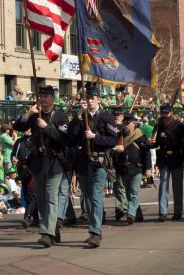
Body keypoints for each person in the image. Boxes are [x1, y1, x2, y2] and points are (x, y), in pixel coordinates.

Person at [14, 85, 69, 248]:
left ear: (53, 98)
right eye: (41, 96)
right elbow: (18, 127)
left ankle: (46, 233)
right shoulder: (35, 115)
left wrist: (47, 127)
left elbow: (63, 138)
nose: (43, 99)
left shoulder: (60, 116)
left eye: (46, 96)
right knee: (42, 199)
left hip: (54, 162)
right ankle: (53, 230)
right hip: (38, 163)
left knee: (52, 198)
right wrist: (29, 113)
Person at [68, 86, 118, 248]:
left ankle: (95, 232)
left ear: (98, 100)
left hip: (99, 163)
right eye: (87, 98)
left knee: (96, 196)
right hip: (83, 163)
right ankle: (94, 227)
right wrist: (78, 116)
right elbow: (71, 137)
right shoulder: (80, 118)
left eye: (92, 97)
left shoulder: (106, 117)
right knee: (87, 198)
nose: (89, 100)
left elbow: (112, 141)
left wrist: (95, 137)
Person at [147, 103, 184, 222]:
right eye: (163, 113)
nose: (164, 115)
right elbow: (156, 142)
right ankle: (163, 212)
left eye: (167, 113)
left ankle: (178, 212)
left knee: (177, 186)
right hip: (164, 159)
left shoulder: (179, 125)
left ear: (171, 112)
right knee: (163, 185)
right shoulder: (159, 124)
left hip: (177, 158)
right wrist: (151, 142)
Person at [114, 113, 152, 224]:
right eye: (124, 123)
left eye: (128, 123)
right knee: (128, 193)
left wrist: (148, 169)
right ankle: (138, 214)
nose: (126, 126)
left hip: (136, 168)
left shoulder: (140, 135)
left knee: (134, 192)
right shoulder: (119, 136)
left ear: (133, 124)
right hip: (123, 168)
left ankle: (131, 213)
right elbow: (113, 154)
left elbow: (146, 153)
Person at [11, 128, 39, 228]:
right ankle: (35, 218)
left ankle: (27, 218)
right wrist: (13, 158)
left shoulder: (36, 140)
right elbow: (13, 153)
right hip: (23, 171)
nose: (26, 130)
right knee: (28, 195)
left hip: (32, 171)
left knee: (31, 194)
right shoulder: (19, 141)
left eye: (28, 128)